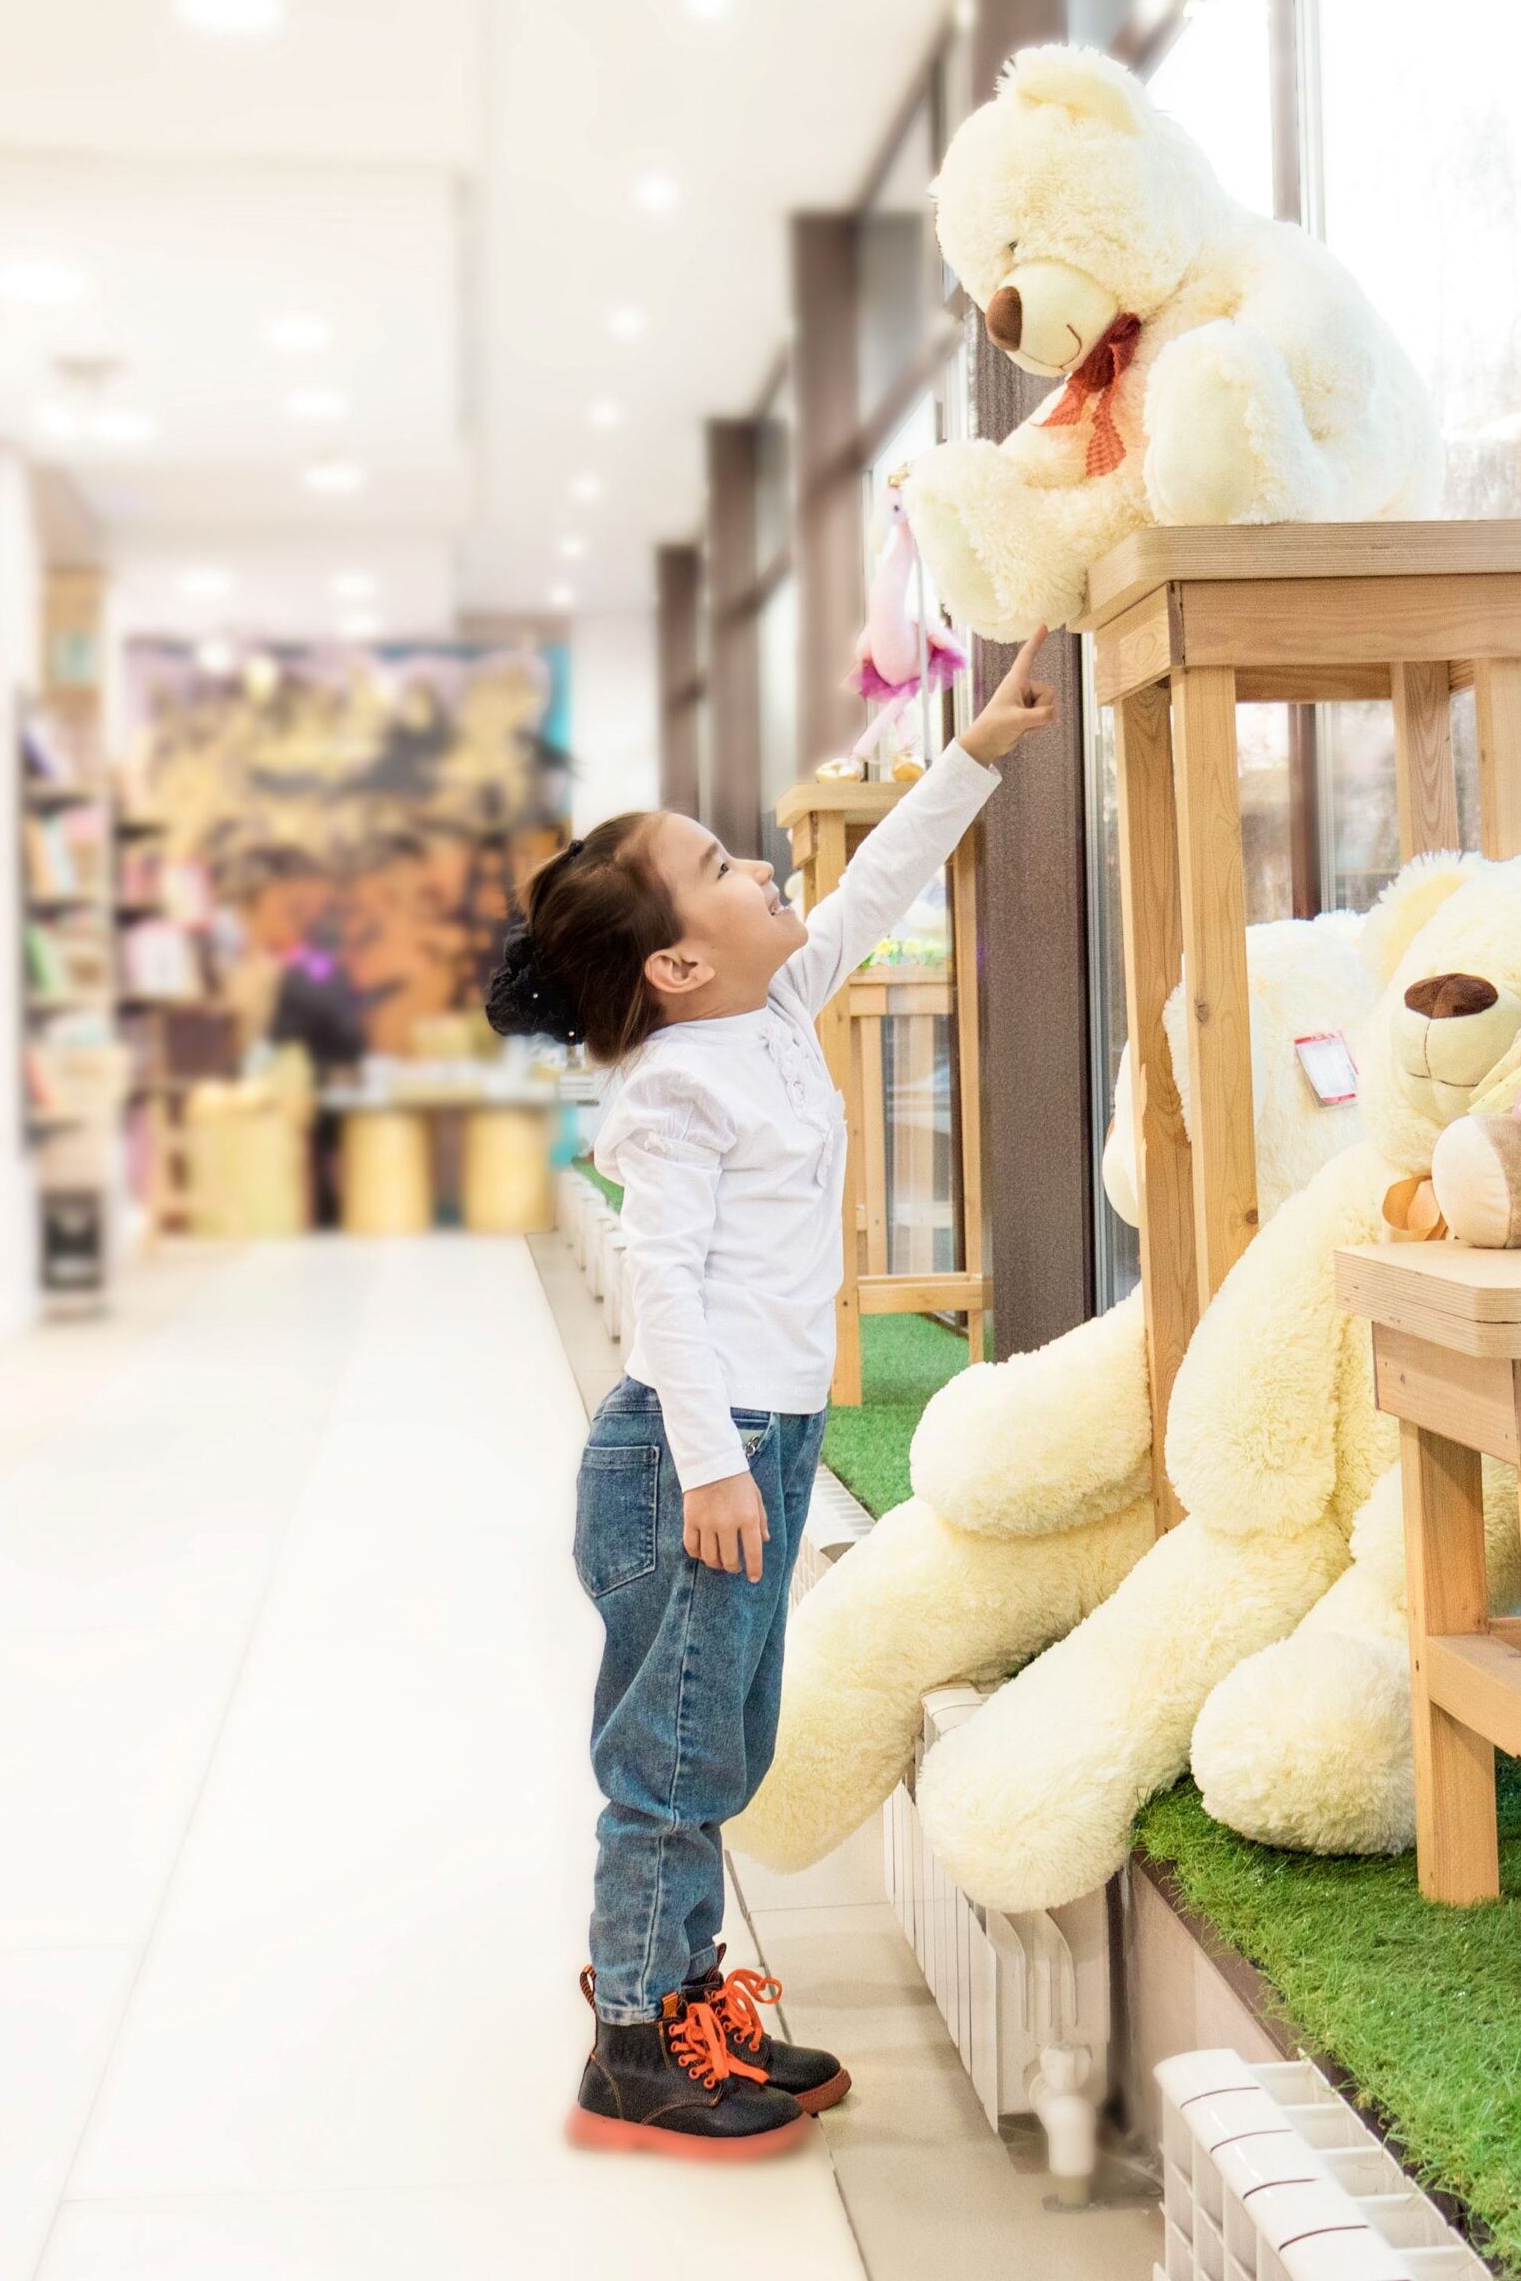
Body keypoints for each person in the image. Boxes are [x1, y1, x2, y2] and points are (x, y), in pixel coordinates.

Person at [487, 635, 1060, 2161]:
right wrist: (708, 1470)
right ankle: (634, 2045)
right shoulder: (678, 1087)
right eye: (723, 863)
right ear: (678, 964)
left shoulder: (766, 1003)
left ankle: (689, 2000)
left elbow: (871, 890)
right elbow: (661, 1288)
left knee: (716, 1745)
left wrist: (981, 747)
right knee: (668, 1761)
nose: (759, 867)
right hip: (701, 1451)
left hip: (765, 1435)